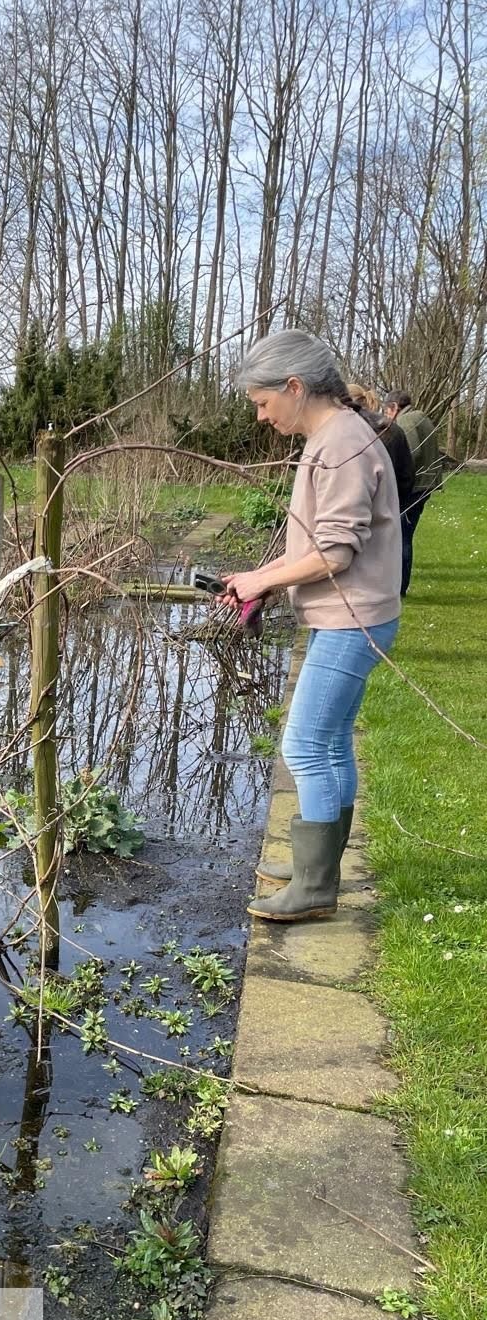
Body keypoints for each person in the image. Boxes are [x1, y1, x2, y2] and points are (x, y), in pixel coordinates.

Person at [224, 329, 400, 923]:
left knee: (305, 744)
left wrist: (265, 583)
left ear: (295, 387)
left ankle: (315, 886)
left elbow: (335, 553)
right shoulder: (333, 438)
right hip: (350, 615)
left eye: (262, 401)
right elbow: (311, 544)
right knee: (331, 741)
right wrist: (257, 574)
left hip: (354, 619)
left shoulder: (342, 446)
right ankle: (316, 866)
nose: (260, 414)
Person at [383, 389, 440, 595]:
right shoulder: (420, 416)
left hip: (414, 487)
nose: (386, 416)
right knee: (404, 535)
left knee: (402, 537)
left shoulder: (406, 421)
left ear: (394, 407)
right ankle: (399, 586)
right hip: (425, 484)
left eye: (386, 411)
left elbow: (411, 453)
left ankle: (399, 588)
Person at [346, 383, 414, 542]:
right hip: (389, 511)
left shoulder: (353, 432)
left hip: (360, 515)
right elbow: (407, 477)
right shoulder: (393, 429)